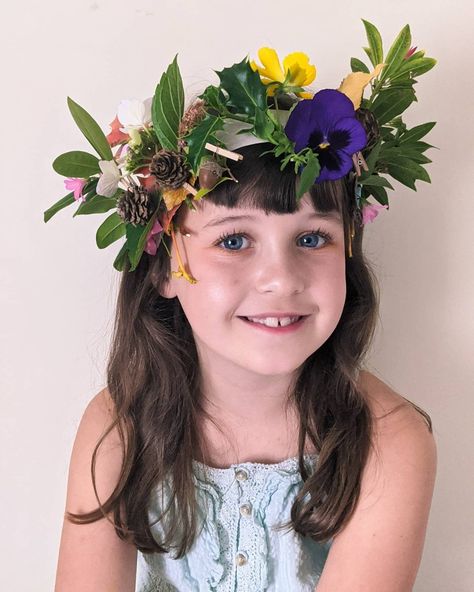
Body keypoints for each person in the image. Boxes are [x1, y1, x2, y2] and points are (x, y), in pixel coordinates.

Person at [51, 27, 438, 592]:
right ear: (163, 268)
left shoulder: (387, 441)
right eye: (234, 241)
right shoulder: (120, 424)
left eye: (311, 239)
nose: (280, 279)